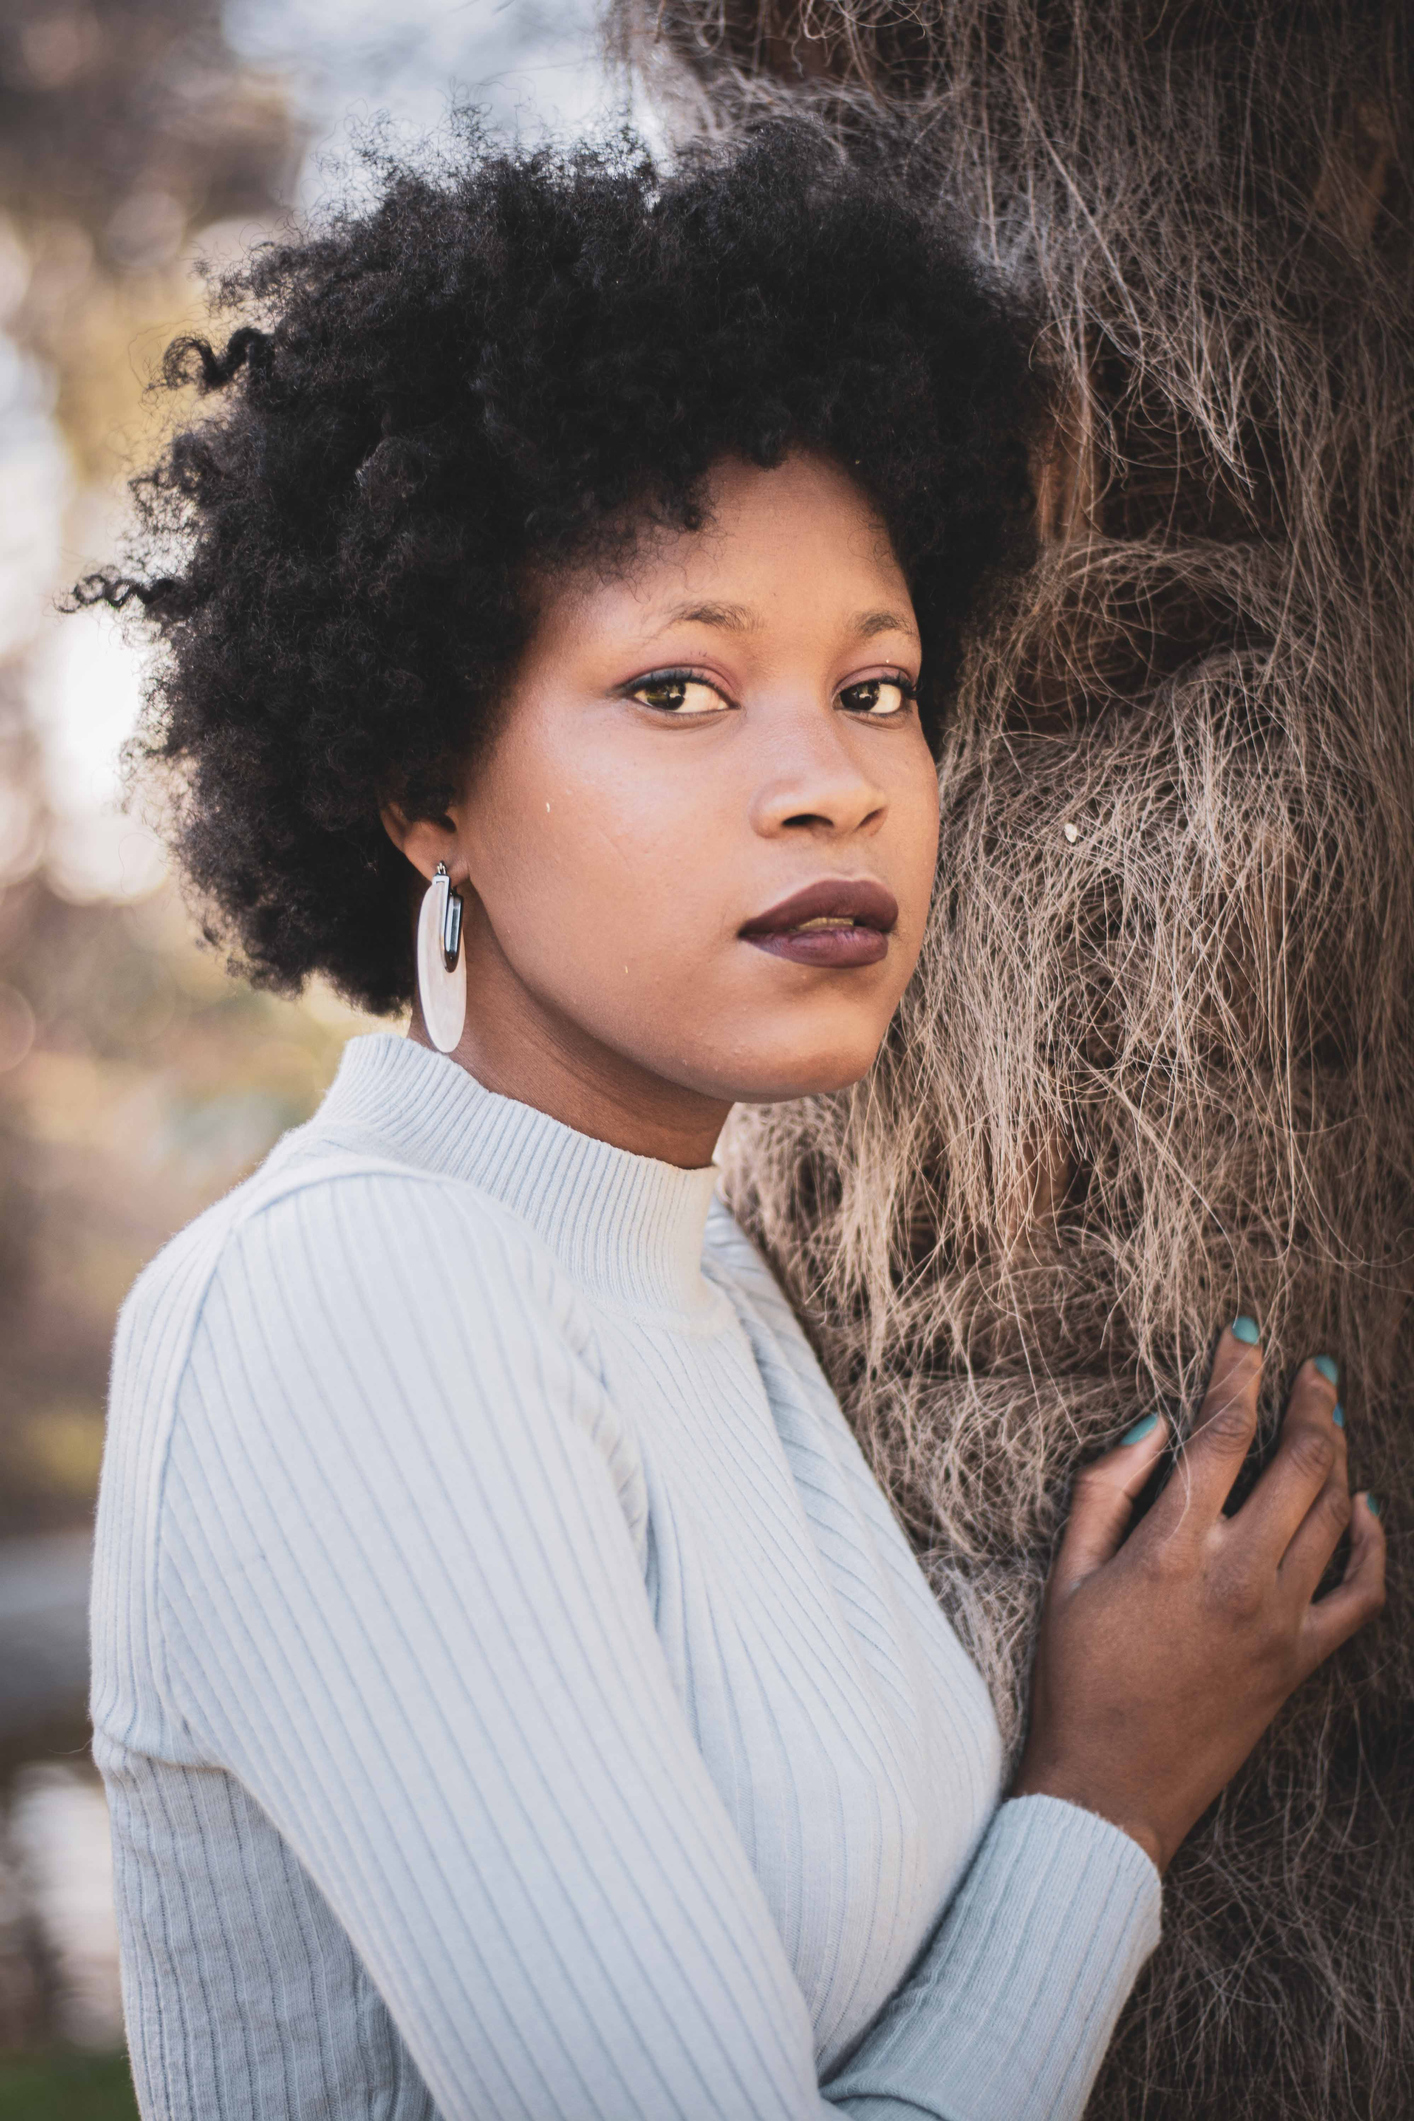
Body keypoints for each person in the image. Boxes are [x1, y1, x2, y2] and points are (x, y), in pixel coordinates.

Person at [83, 128, 1384, 2121]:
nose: (830, 783)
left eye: (875, 687)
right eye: (680, 689)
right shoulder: (354, 1300)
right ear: (425, 780)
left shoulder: (696, 1276)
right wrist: (1102, 1797)